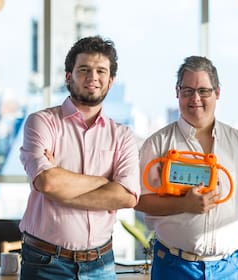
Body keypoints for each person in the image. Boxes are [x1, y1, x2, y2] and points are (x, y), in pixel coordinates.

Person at [136, 56, 238, 280]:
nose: (195, 98)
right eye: (187, 90)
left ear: (217, 92)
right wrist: (184, 204)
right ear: (177, 92)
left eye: (203, 91)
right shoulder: (157, 144)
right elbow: (140, 200)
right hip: (174, 266)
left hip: (230, 268)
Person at [18, 36, 140, 280]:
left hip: (101, 265)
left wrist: (62, 189)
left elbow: (127, 197)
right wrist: (105, 182)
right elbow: (48, 183)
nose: (93, 77)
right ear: (68, 76)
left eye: (100, 71)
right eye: (84, 69)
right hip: (45, 262)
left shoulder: (123, 135)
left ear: (110, 80)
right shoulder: (42, 123)